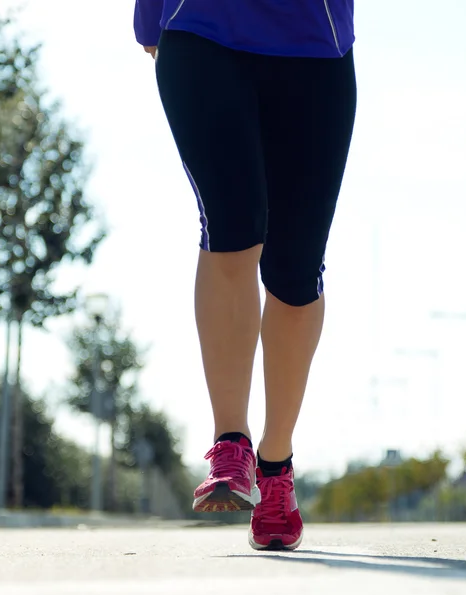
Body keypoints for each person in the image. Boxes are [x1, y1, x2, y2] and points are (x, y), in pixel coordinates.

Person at [134, 0, 357, 551]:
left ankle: (275, 467)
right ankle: (230, 441)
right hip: (200, 29)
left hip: (316, 44)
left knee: (295, 269)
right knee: (232, 226)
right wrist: (147, 16)